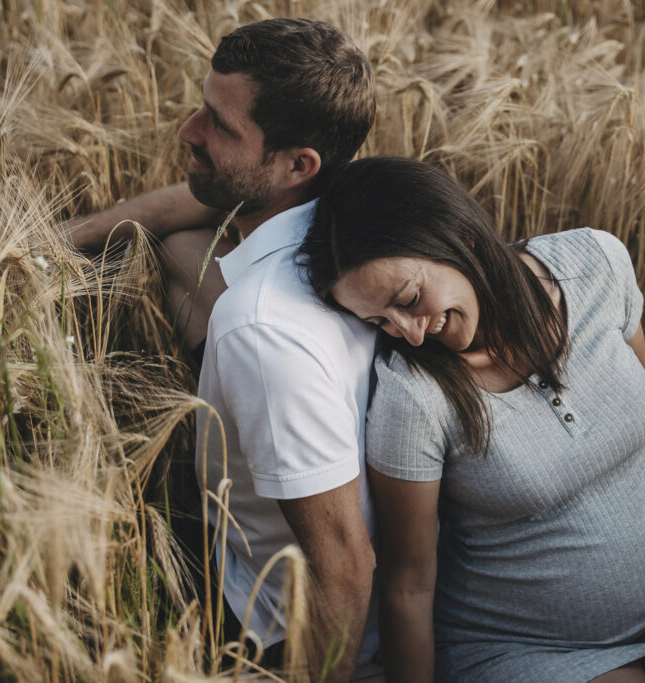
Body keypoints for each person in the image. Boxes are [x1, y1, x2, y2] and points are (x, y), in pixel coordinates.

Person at [299, 157, 645, 683]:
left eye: (408, 299)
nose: (409, 332)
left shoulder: (595, 264)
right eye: (380, 322)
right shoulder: (413, 398)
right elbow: (409, 583)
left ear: (456, 237)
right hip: (525, 651)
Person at [62, 19, 380, 681]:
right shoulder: (364, 213)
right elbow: (212, 202)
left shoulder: (259, 332)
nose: (188, 132)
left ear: (298, 165)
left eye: (219, 125)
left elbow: (344, 570)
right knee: (174, 247)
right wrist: (75, 234)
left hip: (270, 630)